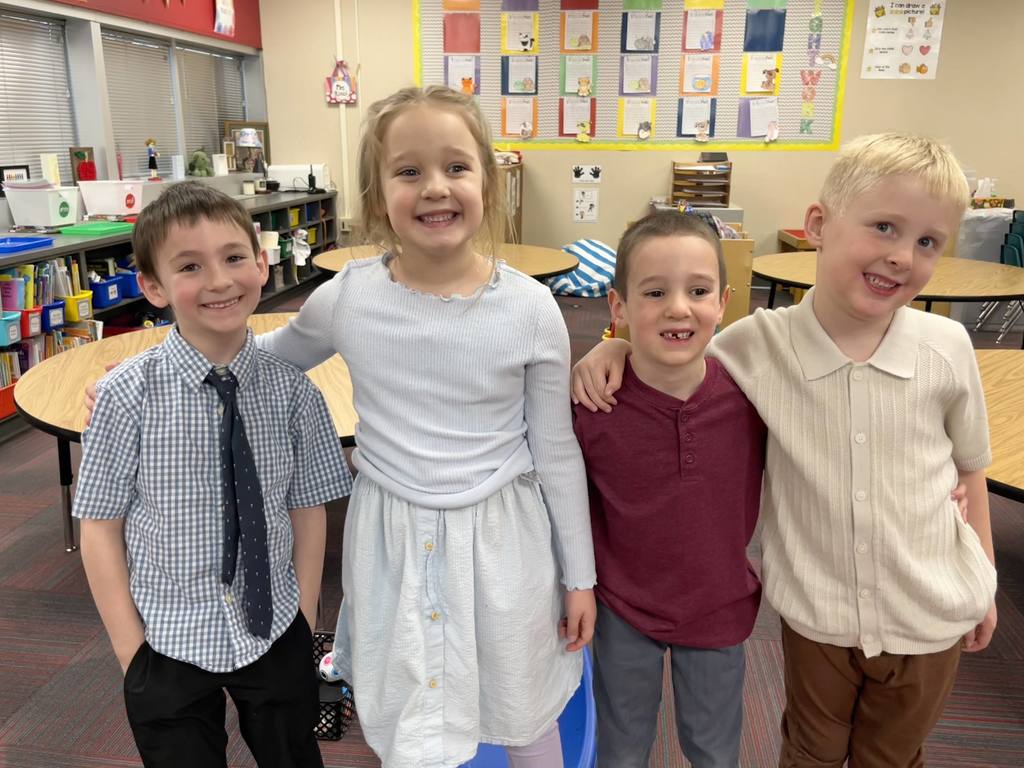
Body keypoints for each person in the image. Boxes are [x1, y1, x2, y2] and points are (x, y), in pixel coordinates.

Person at [572, 133, 997, 768]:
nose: (901, 256)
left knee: (893, 752)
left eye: (927, 242)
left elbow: (971, 466)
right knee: (807, 749)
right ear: (819, 225)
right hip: (814, 613)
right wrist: (613, 343)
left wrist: (985, 578)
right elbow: (674, 348)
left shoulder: (947, 346)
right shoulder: (757, 345)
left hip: (925, 607)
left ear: (722, 298)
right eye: (884, 227)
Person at [258, 85, 596, 767]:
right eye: (409, 171)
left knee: (523, 702)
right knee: (408, 707)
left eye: (456, 167)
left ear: (487, 184)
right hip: (393, 540)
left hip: (504, 540)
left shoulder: (530, 309)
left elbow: (557, 452)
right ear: (378, 195)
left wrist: (579, 577)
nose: (435, 188)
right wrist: (146, 371)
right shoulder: (347, 298)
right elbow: (264, 359)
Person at [75, 182, 353, 768]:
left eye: (233, 257)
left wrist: (303, 617)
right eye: (190, 266)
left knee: (294, 756)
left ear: (262, 261)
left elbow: (307, 508)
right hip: (167, 636)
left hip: (275, 625)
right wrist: (133, 654)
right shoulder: (127, 397)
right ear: (153, 287)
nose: (221, 280)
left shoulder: (296, 395)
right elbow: (99, 527)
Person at [573, 211, 765, 768]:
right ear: (619, 307)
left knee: (713, 750)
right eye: (655, 292)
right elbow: (561, 499)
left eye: (698, 290)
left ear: (723, 302)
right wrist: (606, 347)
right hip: (621, 607)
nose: (679, 308)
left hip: (719, 604)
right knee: (622, 746)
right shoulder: (592, 402)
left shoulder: (754, 394)